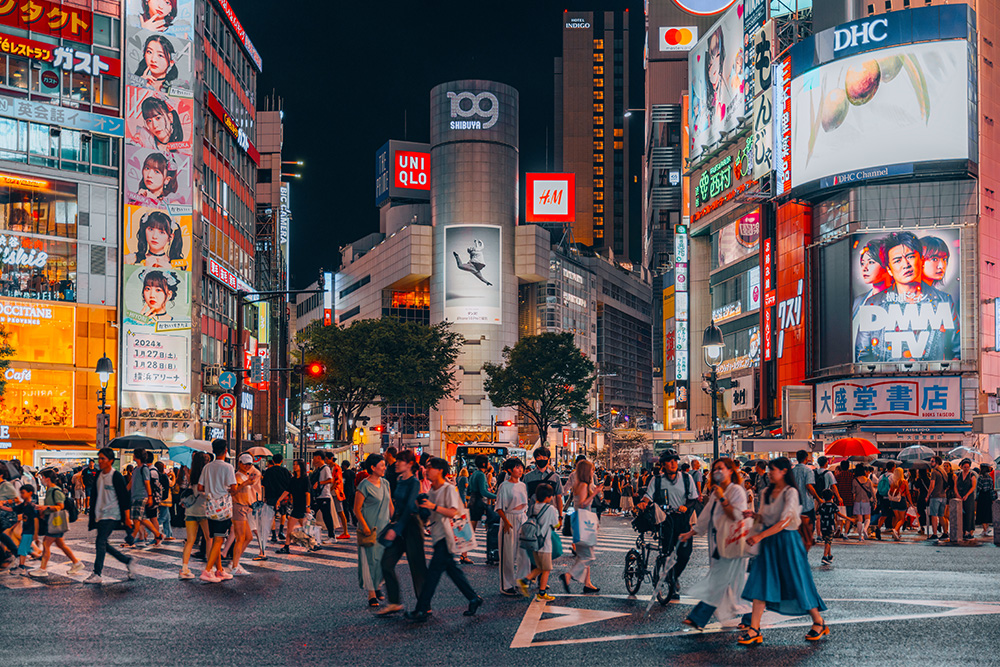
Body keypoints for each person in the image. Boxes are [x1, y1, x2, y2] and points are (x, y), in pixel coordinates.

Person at [739, 457, 828, 645]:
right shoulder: (766, 492)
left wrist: (759, 536)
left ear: (784, 471)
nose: (770, 472)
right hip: (770, 542)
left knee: (797, 582)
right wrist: (755, 516)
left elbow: (785, 521)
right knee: (761, 582)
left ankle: (818, 621)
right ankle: (754, 628)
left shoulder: (791, 492)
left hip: (788, 542)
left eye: (774, 469)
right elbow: (767, 517)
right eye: (770, 469)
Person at [405, 458, 483, 621]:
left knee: (432, 576)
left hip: (447, 537)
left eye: (429, 467)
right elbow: (431, 515)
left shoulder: (448, 489)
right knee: (453, 572)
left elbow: (453, 512)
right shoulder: (432, 490)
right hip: (438, 535)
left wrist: (432, 507)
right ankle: (473, 598)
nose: (426, 470)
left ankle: (421, 609)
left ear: (440, 470)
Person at [678, 458, 749, 630]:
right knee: (728, 580)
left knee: (725, 580)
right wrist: (690, 533)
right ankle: (750, 620)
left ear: (730, 471)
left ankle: (698, 617)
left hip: (734, 543)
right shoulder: (717, 492)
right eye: (714, 469)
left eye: (720, 468)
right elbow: (705, 517)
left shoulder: (736, 491)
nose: (716, 472)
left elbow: (737, 516)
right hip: (720, 543)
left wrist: (723, 499)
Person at [637, 452, 699, 593]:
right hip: (665, 521)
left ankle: (674, 576)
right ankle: (670, 580)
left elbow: (693, 498)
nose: (673, 464)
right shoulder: (657, 480)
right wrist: (643, 503)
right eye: (669, 461)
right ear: (663, 464)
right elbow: (648, 496)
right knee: (668, 552)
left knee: (685, 553)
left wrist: (686, 507)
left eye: (675, 461)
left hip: (683, 520)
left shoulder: (686, 478)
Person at [378, 449, 426, 616]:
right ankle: (394, 602)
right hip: (399, 524)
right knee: (386, 562)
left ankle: (424, 605)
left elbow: (409, 508)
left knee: (417, 567)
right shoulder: (399, 479)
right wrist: (393, 524)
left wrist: (395, 529)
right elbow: (398, 506)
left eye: (401, 461)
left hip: (412, 525)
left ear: (410, 464)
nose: (397, 463)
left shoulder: (414, 482)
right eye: (397, 460)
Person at [84, 448, 136, 584]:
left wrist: (127, 518)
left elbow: (124, 498)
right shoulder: (98, 476)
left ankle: (97, 573)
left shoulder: (116, 476)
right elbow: (95, 496)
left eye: (103, 459)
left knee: (100, 542)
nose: (99, 461)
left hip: (112, 515)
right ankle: (127, 561)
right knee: (103, 544)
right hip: (100, 515)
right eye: (99, 458)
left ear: (111, 461)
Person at [560, 458, 603, 594]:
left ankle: (587, 583)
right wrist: (595, 493)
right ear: (586, 471)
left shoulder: (579, 484)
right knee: (588, 556)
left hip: (579, 520)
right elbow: (584, 504)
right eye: (591, 470)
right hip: (584, 521)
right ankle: (569, 575)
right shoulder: (584, 485)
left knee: (583, 554)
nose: (593, 472)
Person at [355, 454, 392, 608]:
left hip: (384, 528)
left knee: (383, 560)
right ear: (372, 467)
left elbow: (390, 504)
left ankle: (377, 586)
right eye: (382, 465)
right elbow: (356, 509)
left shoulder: (385, 483)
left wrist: (394, 522)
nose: (384, 468)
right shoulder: (364, 485)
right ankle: (371, 593)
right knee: (369, 561)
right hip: (369, 528)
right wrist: (364, 525)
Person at [33, 470, 84, 577]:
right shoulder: (50, 490)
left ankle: (42, 569)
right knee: (61, 544)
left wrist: (44, 507)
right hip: (53, 521)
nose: (41, 480)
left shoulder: (55, 491)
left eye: (42, 477)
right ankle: (76, 562)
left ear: (47, 478)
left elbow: (60, 506)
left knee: (46, 543)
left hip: (56, 521)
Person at [199, 439, 237, 582]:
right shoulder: (228, 467)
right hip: (223, 508)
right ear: (225, 450)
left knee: (215, 538)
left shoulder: (207, 467)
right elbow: (233, 488)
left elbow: (200, 488)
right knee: (219, 540)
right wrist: (226, 489)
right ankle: (208, 571)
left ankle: (220, 570)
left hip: (210, 508)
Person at [516, 482, 560, 602]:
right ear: (547, 497)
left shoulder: (533, 507)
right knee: (546, 569)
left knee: (541, 567)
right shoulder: (550, 509)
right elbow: (556, 524)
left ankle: (526, 580)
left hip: (534, 541)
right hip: (545, 543)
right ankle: (541, 592)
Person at [496, 457, 529, 596]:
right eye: (516, 467)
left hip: (522, 518)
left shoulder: (522, 485)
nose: (520, 470)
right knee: (507, 554)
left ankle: (520, 581)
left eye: (521, 467)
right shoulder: (504, 486)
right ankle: (506, 585)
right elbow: (498, 507)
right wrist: (505, 521)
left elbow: (525, 504)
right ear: (509, 470)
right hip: (509, 519)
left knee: (523, 554)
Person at [178, 451, 212, 581]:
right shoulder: (206, 474)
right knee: (209, 539)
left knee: (190, 540)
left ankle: (184, 568)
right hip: (204, 510)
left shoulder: (191, 474)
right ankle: (209, 568)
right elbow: (206, 492)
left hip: (190, 510)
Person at [226, 454, 261, 576]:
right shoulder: (237, 476)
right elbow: (233, 491)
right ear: (239, 463)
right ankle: (235, 566)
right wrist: (246, 484)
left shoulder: (245, 476)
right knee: (240, 537)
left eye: (249, 464)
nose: (247, 466)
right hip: (238, 507)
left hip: (244, 508)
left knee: (248, 537)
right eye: (245, 463)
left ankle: (234, 562)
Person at [125, 449, 163, 548]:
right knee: (141, 519)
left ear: (137, 456)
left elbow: (147, 483)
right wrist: (124, 492)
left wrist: (149, 497)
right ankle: (158, 535)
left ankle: (131, 540)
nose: (133, 456)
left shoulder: (144, 469)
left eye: (134, 455)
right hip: (135, 496)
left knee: (136, 519)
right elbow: (131, 482)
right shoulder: (136, 469)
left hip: (141, 496)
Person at [0, 484, 38, 575]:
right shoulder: (23, 505)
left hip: (29, 530)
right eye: (21, 493)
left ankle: (21, 566)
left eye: (23, 493)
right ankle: (32, 556)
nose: (21, 495)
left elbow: (36, 519)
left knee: (22, 548)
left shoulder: (31, 506)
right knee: (23, 548)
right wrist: (1, 507)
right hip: (25, 529)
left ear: (30, 493)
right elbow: (12, 509)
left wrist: (36, 534)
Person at [277, 460, 310, 555]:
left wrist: (307, 506)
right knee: (304, 527)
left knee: (290, 526)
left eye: (297, 465)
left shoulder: (305, 478)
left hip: (302, 505)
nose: (295, 466)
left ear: (301, 466)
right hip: (296, 505)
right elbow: (287, 490)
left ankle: (286, 546)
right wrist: (279, 500)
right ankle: (313, 543)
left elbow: (307, 493)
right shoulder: (293, 479)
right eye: (294, 464)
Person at [261, 454, 291, 546]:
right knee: (283, 513)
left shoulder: (268, 471)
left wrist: (264, 497)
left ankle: (273, 534)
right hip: (283, 495)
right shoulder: (285, 471)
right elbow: (290, 483)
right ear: (281, 461)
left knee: (272, 515)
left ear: (273, 461)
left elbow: (264, 484)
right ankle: (281, 531)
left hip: (271, 495)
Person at [817, 489, 854, 566]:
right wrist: (848, 518)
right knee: (828, 541)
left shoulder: (822, 506)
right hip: (831, 526)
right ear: (833, 497)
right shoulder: (833, 506)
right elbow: (839, 514)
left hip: (823, 526)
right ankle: (824, 557)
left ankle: (829, 556)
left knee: (827, 541)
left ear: (823, 497)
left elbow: (817, 514)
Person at [311, 452, 338, 542]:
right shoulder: (319, 469)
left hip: (324, 496)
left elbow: (331, 480)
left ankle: (332, 536)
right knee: (312, 514)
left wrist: (319, 483)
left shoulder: (325, 468)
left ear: (319, 458)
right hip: (319, 496)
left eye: (314, 457)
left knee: (326, 516)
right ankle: (310, 534)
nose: (313, 460)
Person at [467, 454, 496, 532]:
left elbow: (468, 490)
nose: (489, 464)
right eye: (488, 462)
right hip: (478, 501)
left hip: (472, 501)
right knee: (488, 521)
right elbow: (483, 491)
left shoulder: (474, 473)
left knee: (472, 524)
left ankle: (469, 541)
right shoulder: (481, 475)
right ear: (484, 464)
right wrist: (496, 496)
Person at [326, 452, 350, 540]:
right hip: (331, 492)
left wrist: (331, 488)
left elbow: (337, 480)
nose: (325, 460)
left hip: (336, 493)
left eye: (326, 459)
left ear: (331, 458)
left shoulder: (336, 467)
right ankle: (335, 531)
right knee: (334, 512)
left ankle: (345, 531)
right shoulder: (329, 467)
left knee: (340, 511)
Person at [953, 459, 978, 541]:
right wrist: (957, 494)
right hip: (960, 496)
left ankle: (970, 531)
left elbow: (973, 487)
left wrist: (967, 495)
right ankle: (963, 531)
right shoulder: (958, 475)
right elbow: (955, 486)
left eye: (968, 467)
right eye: (965, 467)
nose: (966, 468)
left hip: (969, 497)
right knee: (961, 514)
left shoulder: (972, 475)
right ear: (962, 466)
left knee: (970, 513)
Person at [888, 467, 912, 541]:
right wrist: (911, 503)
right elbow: (907, 493)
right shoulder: (904, 482)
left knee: (896, 518)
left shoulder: (893, 482)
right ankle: (895, 530)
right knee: (902, 519)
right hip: (901, 500)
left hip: (893, 501)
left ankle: (897, 534)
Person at [852, 465, 875, 541]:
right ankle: (865, 529)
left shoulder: (855, 480)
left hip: (857, 501)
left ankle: (860, 536)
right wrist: (875, 501)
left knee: (859, 519)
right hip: (866, 501)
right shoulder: (868, 481)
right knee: (867, 517)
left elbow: (853, 492)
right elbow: (872, 492)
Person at [927, 456, 948, 540]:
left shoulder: (934, 472)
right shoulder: (944, 472)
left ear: (937, 462)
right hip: (943, 496)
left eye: (932, 461)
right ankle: (945, 532)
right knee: (941, 515)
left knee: (934, 515)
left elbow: (932, 485)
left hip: (935, 496)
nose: (930, 463)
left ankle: (935, 534)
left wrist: (928, 495)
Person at [154, 460, 174, 541]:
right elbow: (171, 484)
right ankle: (149, 530)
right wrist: (173, 476)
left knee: (167, 518)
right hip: (165, 500)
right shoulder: (163, 476)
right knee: (162, 518)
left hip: (160, 499)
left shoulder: (157, 476)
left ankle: (168, 534)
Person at [976, 464, 995, 537]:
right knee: (987, 512)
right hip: (988, 496)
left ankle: (984, 529)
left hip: (982, 496)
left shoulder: (981, 477)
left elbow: (979, 487)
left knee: (982, 512)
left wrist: (976, 497)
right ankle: (986, 528)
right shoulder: (989, 477)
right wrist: (993, 498)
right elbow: (991, 488)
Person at [342, 461, 357, 527]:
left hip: (346, 491)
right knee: (351, 507)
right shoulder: (352, 473)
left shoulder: (344, 474)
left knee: (345, 506)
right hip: (352, 490)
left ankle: (347, 519)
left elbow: (343, 482)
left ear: (345, 465)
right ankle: (354, 520)